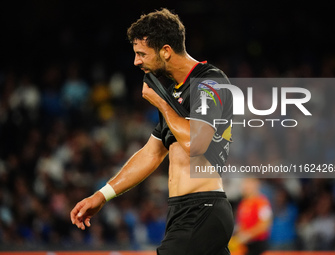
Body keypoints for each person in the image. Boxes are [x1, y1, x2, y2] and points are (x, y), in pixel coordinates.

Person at [70, 8, 234, 255]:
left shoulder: (209, 82)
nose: (136, 61)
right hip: (183, 212)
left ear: (166, 51)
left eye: (141, 54)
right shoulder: (174, 93)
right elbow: (151, 154)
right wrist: (101, 196)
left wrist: (162, 103)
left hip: (202, 210)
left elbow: (196, 145)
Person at [234, 178, 272, 255]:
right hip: (246, 245)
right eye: (244, 184)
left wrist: (248, 235)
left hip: (258, 244)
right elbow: (241, 223)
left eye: (249, 184)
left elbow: (265, 224)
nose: (245, 187)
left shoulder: (261, 202)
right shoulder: (243, 203)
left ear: (256, 185)